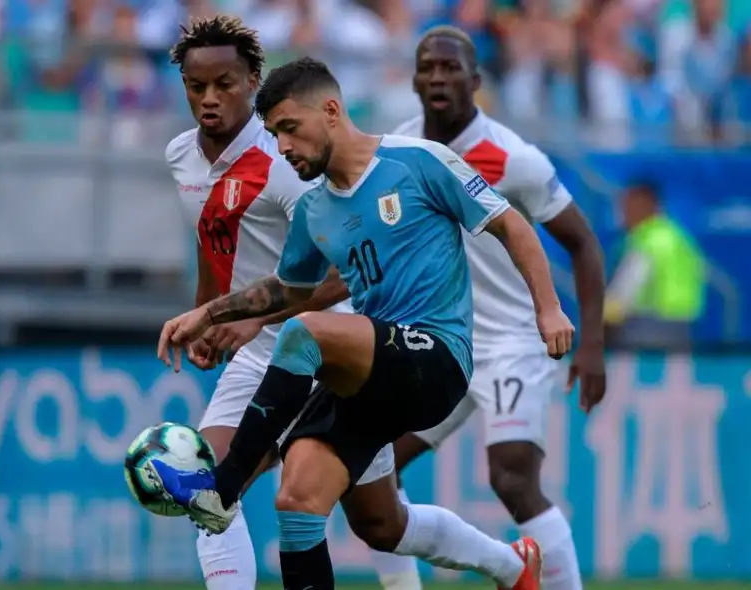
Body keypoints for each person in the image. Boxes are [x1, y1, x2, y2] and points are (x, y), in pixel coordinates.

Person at [148, 56, 575, 590]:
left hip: (436, 357)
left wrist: (548, 307)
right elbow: (288, 289)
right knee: (305, 503)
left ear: (330, 111)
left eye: (289, 129)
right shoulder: (315, 211)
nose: (282, 147)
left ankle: (225, 486)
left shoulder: (417, 161)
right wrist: (208, 312)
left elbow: (510, 225)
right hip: (370, 374)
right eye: (275, 135)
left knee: (307, 333)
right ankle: (514, 568)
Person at [163, 17, 401, 590]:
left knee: (383, 525)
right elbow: (211, 236)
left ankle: (510, 563)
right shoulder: (180, 155)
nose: (210, 98)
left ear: (252, 80)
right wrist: (206, 313)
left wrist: (252, 323)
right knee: (211, 492)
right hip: (253, 358)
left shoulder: (285, 161)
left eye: (225, 83)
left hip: (331, 350)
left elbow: (347, 271)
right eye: (198, 87)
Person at [371, 25, 609, 590]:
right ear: (412, 78)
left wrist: (593, 345)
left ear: (476, 81)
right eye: (427, 66)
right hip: (441, 342)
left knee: (511, 479)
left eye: (450, 68)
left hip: (512, 342)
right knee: (371, 466)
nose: (437, 76)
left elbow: (584, 244)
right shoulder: (397, 149)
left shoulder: (511, 158)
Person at [604, 181, 705, 349]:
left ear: (646, 206)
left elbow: (625, 291)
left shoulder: (647, 242)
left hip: (649, 326)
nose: (622, 215)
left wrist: (602, 319)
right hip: (683, 325)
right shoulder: (676, 236)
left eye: (627, 207)